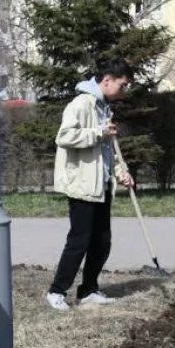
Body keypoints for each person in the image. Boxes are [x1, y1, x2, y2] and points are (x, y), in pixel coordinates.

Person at [47, 60, 135, 311]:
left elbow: (107, 150)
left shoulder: (104, 107)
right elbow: (63, 136)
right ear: (107, 80)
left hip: (102, 184)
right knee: (79, 241)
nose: (123, 91)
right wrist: (97, 132)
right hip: (83, 184)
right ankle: (57, 291)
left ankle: (88, 290)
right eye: (122, 85)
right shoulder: (81, 104)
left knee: (102, 241)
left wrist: (120, 172)